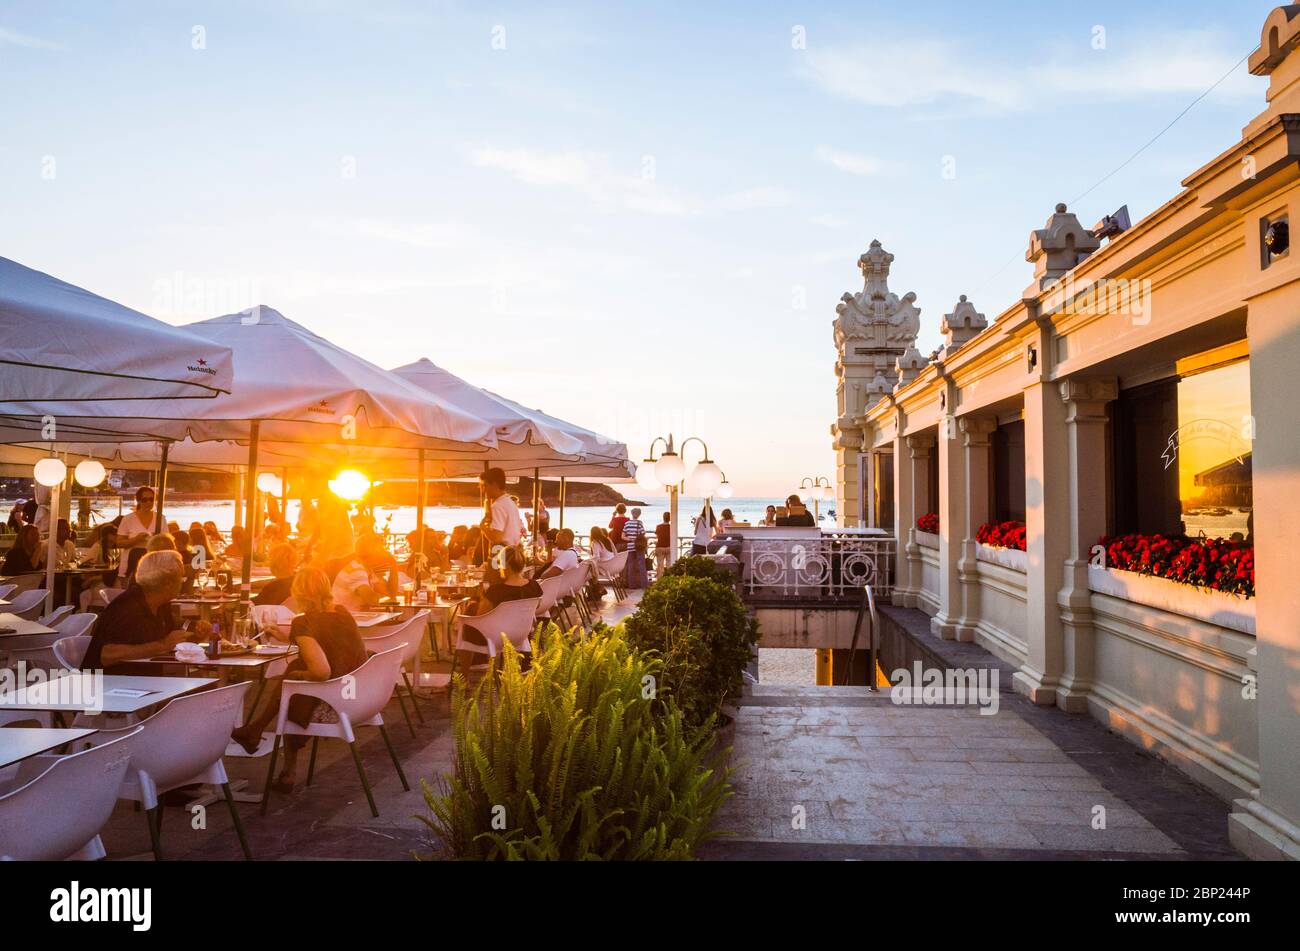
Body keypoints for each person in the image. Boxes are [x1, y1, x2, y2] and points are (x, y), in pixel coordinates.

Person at [230, 568, 367, 791]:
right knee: (297, 674)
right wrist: (286, 637)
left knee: (295, 679)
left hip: (335, 704)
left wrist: (297, 675)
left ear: (299, 593)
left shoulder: (304, 622)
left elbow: (321, 672)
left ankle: (257, 733)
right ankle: (261, 738)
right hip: (362, 693)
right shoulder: (342, 613)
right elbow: (325, 642)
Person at [81, 551, 199, 673]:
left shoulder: (160, 603)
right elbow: (106, 655)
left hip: (142, 680)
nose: (182, 582)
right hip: (108, 684)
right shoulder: (128, 607)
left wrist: (195, 629)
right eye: (181, 578)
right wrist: (162, 645)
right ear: (168, 583)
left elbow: (172, 628)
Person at [454, 545, 542, 678]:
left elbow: (481, 615)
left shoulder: (495, 591)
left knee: (466, 624)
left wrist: (475, 603)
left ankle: (463, 678)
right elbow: (537, 606)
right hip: (521, 635)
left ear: (505, 566)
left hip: (496, 638)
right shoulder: (534, 586)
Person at [330, 533, 398, 612]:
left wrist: (393, 563)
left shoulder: (367, 570)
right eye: (381, 549)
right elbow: (372, 600)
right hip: (345, 620)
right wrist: (378, 595)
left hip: (355, 618)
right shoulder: (356, 571)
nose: (385, 552)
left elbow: (390, 594)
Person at [115, 487, 156, 584]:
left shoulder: (160, 519)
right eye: (144, 500)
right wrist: (136, 539)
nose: (148, 502)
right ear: (138, 501)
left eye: (151, 499)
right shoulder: (128, 519)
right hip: (130, 565)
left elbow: (167, 542)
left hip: (152, 565)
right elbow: (119, 543)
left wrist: (155, 540)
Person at [480, 468, 522, 549]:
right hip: (513, 552)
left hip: (502, 556)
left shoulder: (497, 506)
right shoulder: (511, 503)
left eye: (485, 485)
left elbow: (496, 538)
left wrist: (483, 528)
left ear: (494, 484)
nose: (483, 490)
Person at [622, 507, 648, 588]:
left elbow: (623, 536)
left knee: (631, 566)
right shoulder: (639, 523)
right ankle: (644, 584)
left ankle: (632, 585)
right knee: (641, 565)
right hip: (639, 546)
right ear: (639, 514)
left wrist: (630, 539)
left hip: (630, 546)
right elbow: (642, 533)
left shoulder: (627, 523)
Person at [654, 512, 672, 577]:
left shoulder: (658, 526)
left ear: (663, 518)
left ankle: (660, 580)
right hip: (669, 547)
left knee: (660, 565)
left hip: (660, 547)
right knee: (669, 565)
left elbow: (657, 536)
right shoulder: (671, 527)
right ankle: (669, 579)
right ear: (670, 519)